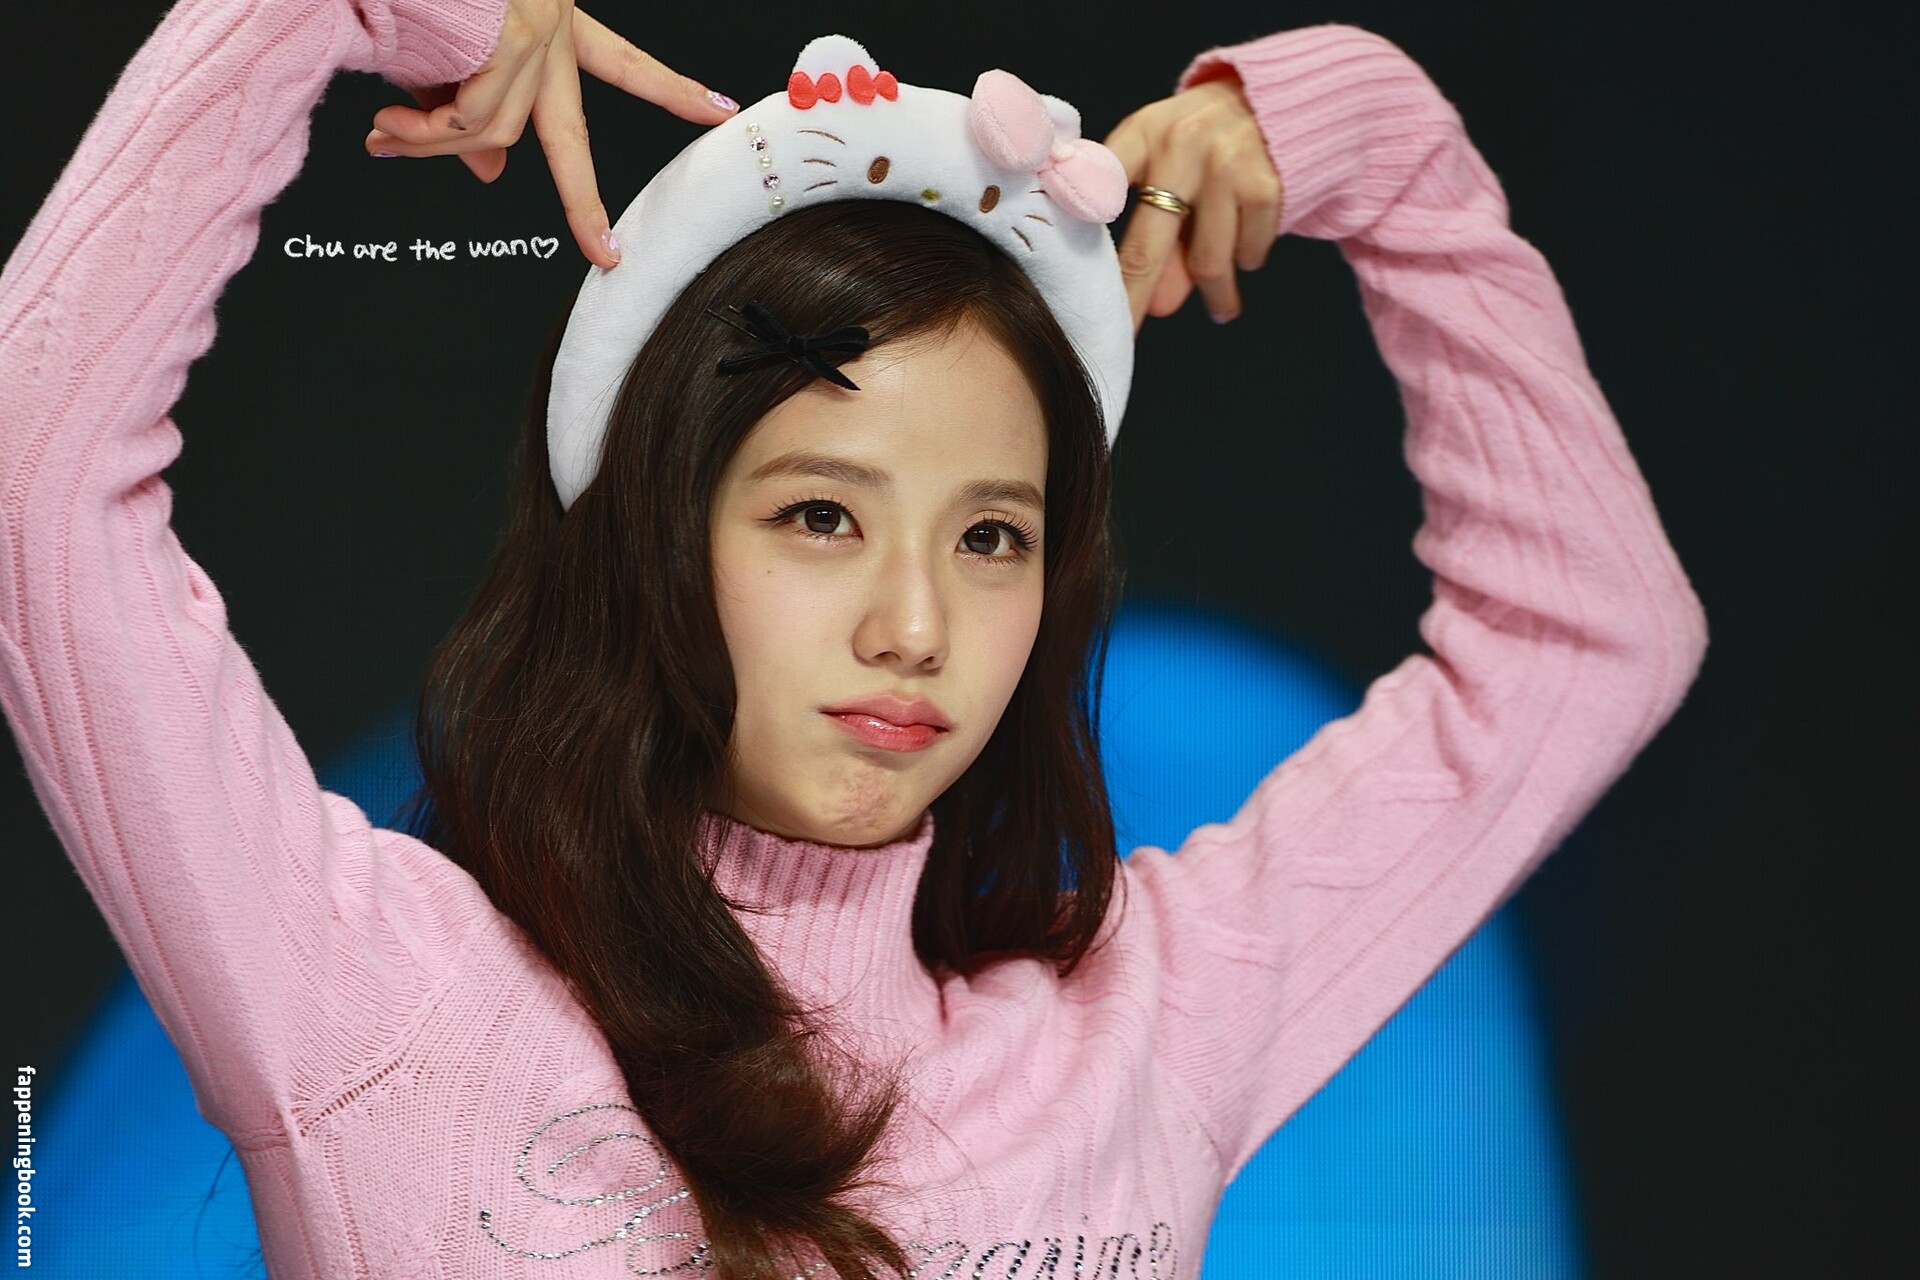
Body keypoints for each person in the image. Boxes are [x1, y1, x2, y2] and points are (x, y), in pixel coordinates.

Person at [0, 0, 1708, 1277]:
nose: (915, 626)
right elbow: (34, 480)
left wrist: (1361, 146)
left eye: (992, 538)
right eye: (821, 515)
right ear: (659, 534)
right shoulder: (384, 999)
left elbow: (1590, 635)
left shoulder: (1147, 1030)